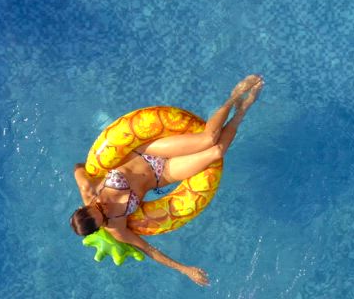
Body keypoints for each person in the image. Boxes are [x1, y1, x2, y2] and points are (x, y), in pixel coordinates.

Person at [70, 74, 264, 286]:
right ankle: (242, 111)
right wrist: (184, 269)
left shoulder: (89, 188)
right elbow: (149, 250)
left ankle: (233, 97)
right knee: (216, 151)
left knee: (208, 139)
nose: (105, 208)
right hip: (163, 174)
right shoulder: (116, 226)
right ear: (101, 226)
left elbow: (78, 167)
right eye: (103, 216)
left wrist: (89, 166)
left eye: (98, 207)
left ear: (86, 206)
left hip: (147, 153)